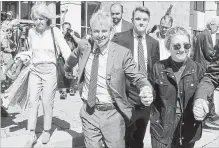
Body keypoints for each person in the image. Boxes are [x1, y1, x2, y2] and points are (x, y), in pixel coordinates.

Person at [64, 9, 153, 148]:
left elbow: (137, 75)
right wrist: (67, 68)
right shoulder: (84, 46)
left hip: (113, 114)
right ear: (91, 31)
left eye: (104, 31)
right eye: (96, 31)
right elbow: (73, 57)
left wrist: (145, 87)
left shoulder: (122, 53)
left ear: (111, 31)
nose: (100, 35)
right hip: (89, 112)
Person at [111, 6, 160, 148]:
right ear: (132, 20)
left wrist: (152, 93)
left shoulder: (153, 43)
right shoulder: (120, 38)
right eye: (138, 18)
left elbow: (154, 70)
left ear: (148, 22)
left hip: (145, 96)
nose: (141, 22)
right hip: (126, 95)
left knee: (139, 136)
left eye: (145, 19)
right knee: (125, 135)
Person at [24, 4, 71, 148]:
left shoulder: (54, 31)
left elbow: (65, 49)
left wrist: (71, 65)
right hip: (35, 69)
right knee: (32, 101)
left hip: (50, 69)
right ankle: (31, 133)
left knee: (47, 102)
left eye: (41, 19)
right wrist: (25, 58)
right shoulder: (31, 32)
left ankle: (46, 130)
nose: (38, 22)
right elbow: (31, 51)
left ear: (47, 19)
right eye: (35, 19)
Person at [150, 26, 205, 148]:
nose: (182, 49)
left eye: (186, 46)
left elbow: (207, 97)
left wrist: (203, 109)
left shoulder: (198, 69)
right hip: (162, 128)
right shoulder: (158, 68)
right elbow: (150, 97)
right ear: (168, 47)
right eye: (177, 46)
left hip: (188, 127)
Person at [193, 17, 219, 128]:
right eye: (216, 26)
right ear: (211, 25)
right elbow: (209, 53)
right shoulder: (207, 35)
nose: (217, 29)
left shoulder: (200, 34)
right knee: (209, 93)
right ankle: (211, 116)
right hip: (205, 66)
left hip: (198, 65)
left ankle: (209, 115)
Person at [59, 22, 80, 99]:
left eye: (69, 28)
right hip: (62, 57)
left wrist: (73, 35)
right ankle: (63, 90)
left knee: (72, 72)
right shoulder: (60, 36)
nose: (68, 30)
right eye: (66, 28)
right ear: (62, 29)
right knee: (62, 73)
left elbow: (78, 44)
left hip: (71, 56)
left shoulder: (73, 36)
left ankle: (71, 88)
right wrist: (64, 35)